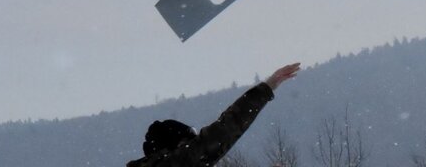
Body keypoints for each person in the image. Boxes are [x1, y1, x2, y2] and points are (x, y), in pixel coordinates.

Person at [126, 63, 301, 167]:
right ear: (176, 146)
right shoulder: (177, 163)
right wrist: (268, 87)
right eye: (190, 141)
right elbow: (224, 131)